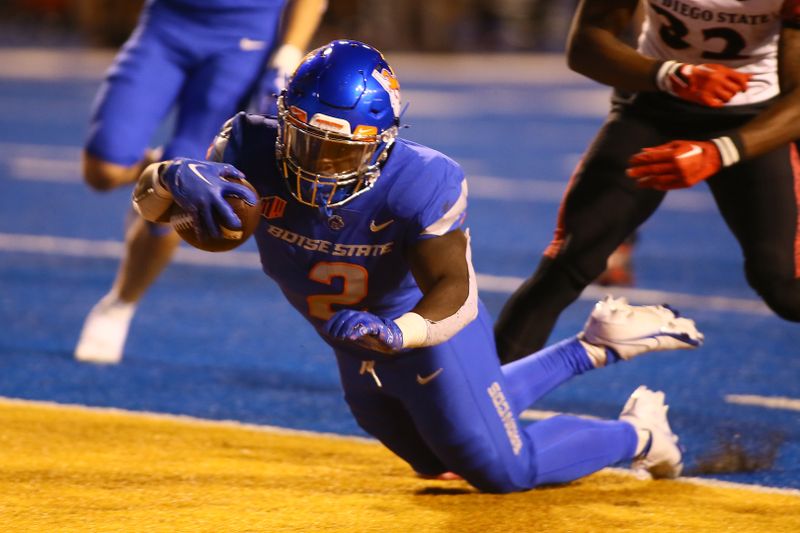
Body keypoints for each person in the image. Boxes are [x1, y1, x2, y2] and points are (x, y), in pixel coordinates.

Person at [130, 40, 705, 492]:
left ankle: (639, 434)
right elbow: (158, 212)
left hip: (422, 328)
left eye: (344, 149)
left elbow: (455, 288)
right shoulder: (247, 146)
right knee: (433, 461)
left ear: (383, 140)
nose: (324, 164)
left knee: (505, 471)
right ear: (284, 121)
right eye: (309, 142)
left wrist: (396, 331)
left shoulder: (422, 178)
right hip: (347, 334)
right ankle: (592, 346)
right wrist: (167, 176)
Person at [494, 0, 800, 363]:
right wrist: (669, 74)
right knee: (570, 260)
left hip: (751, 119)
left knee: (781, 283)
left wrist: (721, 151)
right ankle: (481, 404)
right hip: (655, 107)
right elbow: (586, 45)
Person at [74, 0, 328, 364]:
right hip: (167, 25)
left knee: (187, 192)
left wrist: (288, 54)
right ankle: (162, 167)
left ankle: (121, 302)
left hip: (244, 38)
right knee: (103, 170)